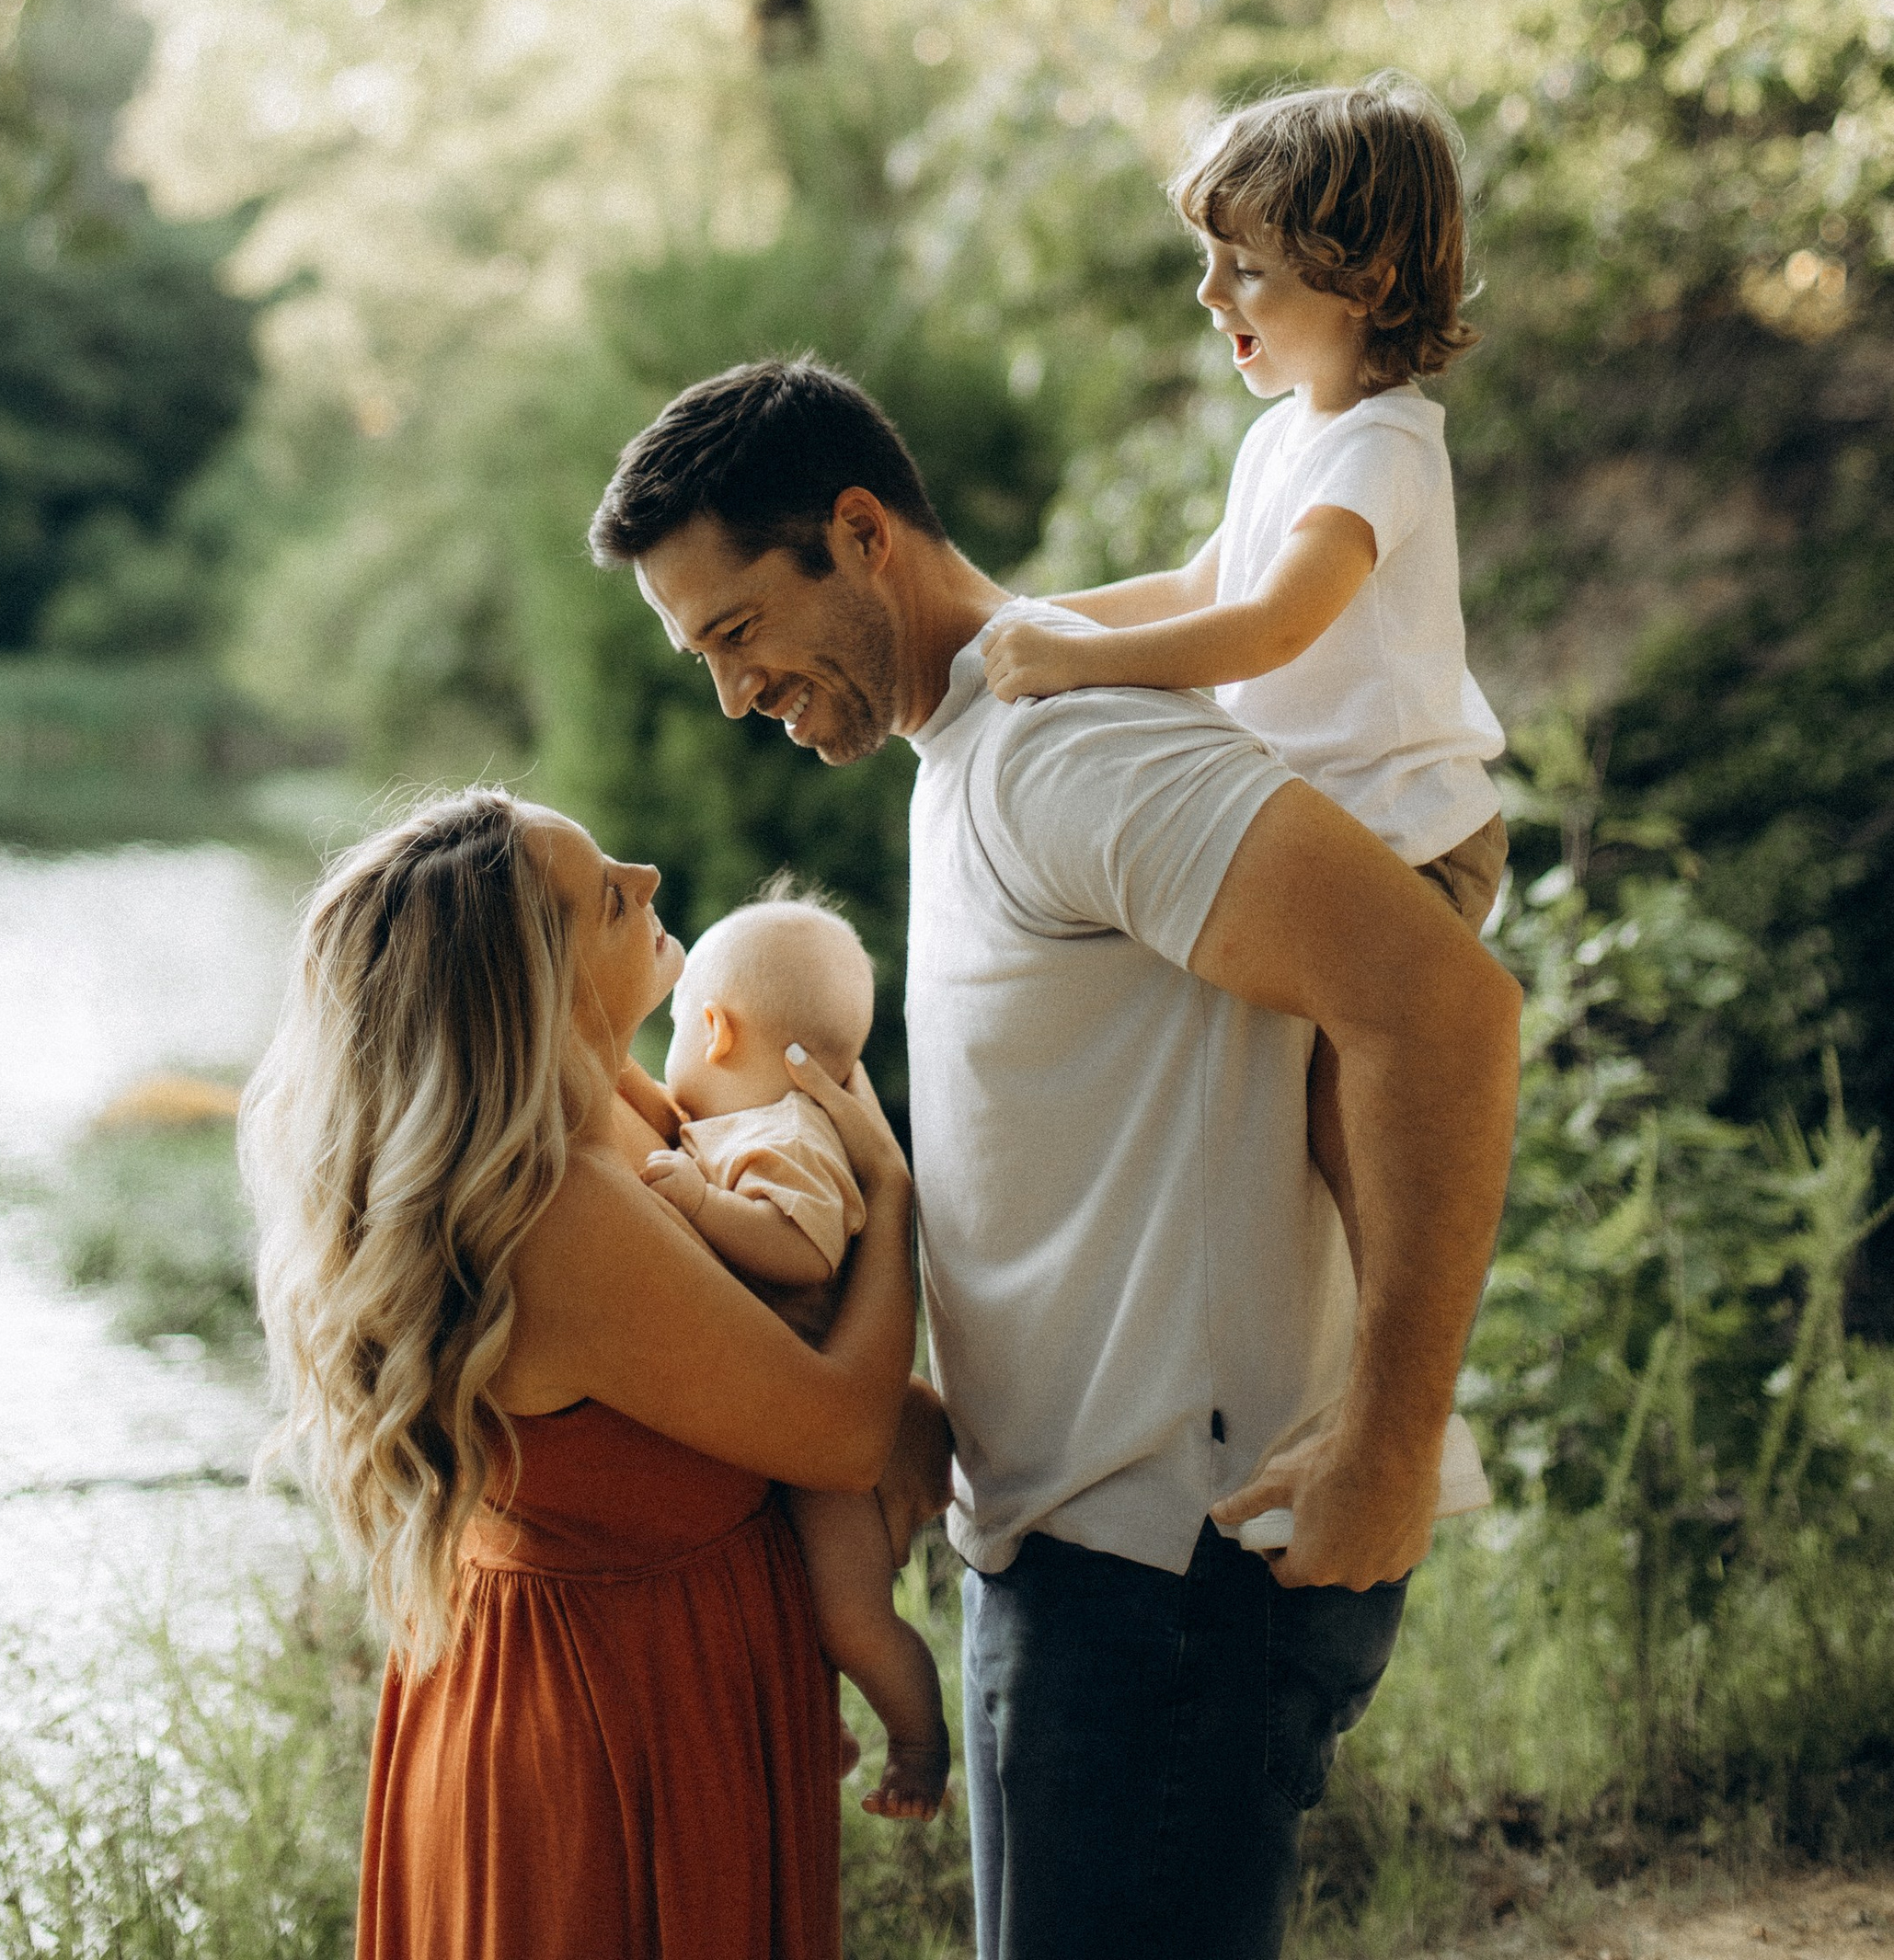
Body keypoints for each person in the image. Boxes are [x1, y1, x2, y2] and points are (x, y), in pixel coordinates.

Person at [591, 356, 1521, 1960]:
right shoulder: (971, 756)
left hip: (1172, 1580)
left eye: (738, 634)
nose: (732, 694)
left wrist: (1391, 1437)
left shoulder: (1071, 750)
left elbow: (1444, 1012)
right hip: (1075, 1566)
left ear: (862, 532)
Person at [239, 785, 931, 1960]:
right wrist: (894, 1198)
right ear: (538, 993)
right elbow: (841, 1434)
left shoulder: (612, 1103)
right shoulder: (559, 1211)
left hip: (651, 1670)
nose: (651, 879)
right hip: (617, 1719)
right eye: (612, 897)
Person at [977, 75, 1508, 1252]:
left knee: (1346, 1102)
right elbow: (1193, 589)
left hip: (1411, 833)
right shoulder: (1286, 435)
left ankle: (1397, 1341)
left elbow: (1272, 624)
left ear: (1364, 282)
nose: (1209, 292)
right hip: (1326, 825)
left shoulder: (1383, 449)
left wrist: (1078, 665)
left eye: (1246, 267)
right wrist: (1011, 617)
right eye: (1210, 259)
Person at [639, 886, 952, 1817]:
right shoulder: (727, 1132)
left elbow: (801, 1247)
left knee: (850, 1613)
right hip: (781, 1419)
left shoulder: (781, 1139)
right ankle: (829, 1729)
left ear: (714, 1030)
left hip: (829, 1446)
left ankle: (920, 1743)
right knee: (789, 1601)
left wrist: (699, 1205)